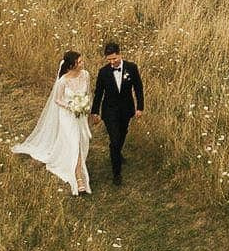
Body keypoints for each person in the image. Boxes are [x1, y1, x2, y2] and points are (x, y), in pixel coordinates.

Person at [11, 49, 93, 195]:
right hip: (68, 115)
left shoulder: (86, 75)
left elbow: (88, 93)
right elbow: (57, 99)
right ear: (71, 65)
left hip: (81, 114)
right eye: (79, 62)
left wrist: (85, 106)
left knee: (82, 141)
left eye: (81, 60)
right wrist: (71, 107)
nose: (82, 63)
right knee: (74, 142)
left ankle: (72, 162)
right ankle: (78, 178)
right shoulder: (63, 81)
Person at [91, 42, 145, 185]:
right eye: (109, 60)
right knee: (114, 140)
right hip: (109, 110)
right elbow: (98, 93)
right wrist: (95, 112)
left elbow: (138, 88)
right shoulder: (103, 72)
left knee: (123, 133)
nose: (112, 62)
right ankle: (117, 173)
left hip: (126, 109)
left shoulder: (131, 68)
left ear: (120, 54)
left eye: (114, 59)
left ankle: (116, 152)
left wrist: (140, 107)